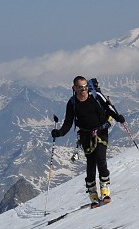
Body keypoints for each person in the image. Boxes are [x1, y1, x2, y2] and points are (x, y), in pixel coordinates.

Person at [51, 76, 125, 206]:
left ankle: (105, 191)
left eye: (85, 87)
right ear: (74, 88)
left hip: (101, 131)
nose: (83, 90)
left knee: (100, 158)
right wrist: (60, 133)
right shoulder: (72, 103)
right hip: (85, 135)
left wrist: (118, 118)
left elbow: (108, 109)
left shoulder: (96, 97)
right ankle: (93, 195)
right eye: (80, 87)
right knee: (91, 163)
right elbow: (68, 122)